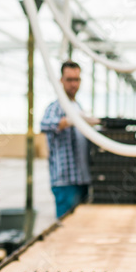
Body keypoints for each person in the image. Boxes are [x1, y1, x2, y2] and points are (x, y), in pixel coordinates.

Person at [40, 61, 97, 218]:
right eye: (69, 80)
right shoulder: (57, 107)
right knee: (66, 227)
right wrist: (69, 120)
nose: (74, 84)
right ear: (61, 81)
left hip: (82, 179)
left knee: (81, 225)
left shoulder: (78, 105)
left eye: (77, 80)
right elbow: (44, 124)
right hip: (65, 181)